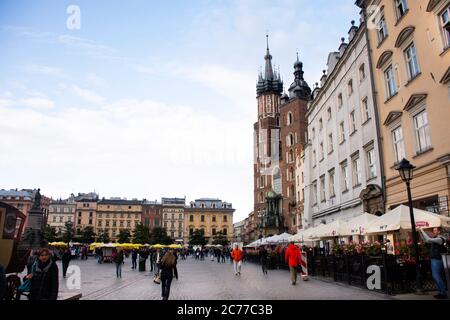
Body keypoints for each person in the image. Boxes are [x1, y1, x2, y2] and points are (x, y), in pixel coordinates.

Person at [420, 227, 448, 299]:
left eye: (435, 230)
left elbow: (428, 239)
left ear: (439, 232)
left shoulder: (440, 239)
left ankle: (443, 293)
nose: (434, 231)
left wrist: (422, 230)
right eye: (433, 230)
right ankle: (440, 292)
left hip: (437, 259)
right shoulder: (435, 238)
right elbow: (426, 240)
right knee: (435, 276)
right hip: (434, 259)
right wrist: (421, 233)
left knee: (437, 276)